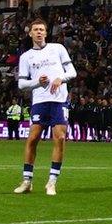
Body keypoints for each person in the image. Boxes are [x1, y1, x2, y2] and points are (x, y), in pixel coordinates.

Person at [14, 18, 77, 196]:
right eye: (36, 29)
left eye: (42, 29)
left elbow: (72, 72)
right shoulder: (26, 57)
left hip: (59, 100)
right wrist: (37, 82)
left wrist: (60, 79)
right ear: (30, 33)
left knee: (59, 137)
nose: (39, 32)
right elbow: (21, 85)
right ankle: (27, 181)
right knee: (32, 138)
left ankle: (51, 182)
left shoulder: (57, 49)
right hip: (39, 101)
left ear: (46, 32)